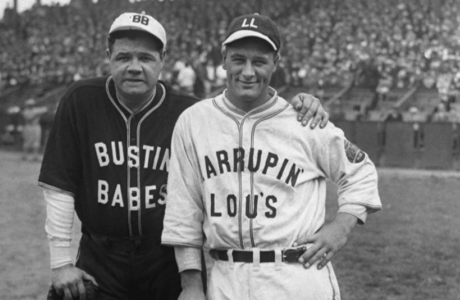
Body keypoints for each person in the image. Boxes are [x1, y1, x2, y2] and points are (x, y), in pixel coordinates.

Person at [39, 12, 329, 300]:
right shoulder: (82, 99)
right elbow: (60, 186)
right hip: (101, 256)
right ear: (108, 55)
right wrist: (61, 262)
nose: (134, 67)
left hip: (165, 260)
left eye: (146, 58)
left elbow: (246, 127)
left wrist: (300, 106)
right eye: (124, 57)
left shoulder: (189, 113)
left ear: (163, 59)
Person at [161, 13, 382, 300]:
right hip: (225, 277)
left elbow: (361, 171)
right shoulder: (193, 122)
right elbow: (183, 209)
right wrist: (191, 285)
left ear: (276, 63)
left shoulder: (304, 121)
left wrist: (341, 227)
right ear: (224, 59)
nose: (248, 72)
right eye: (239, 59)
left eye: (260, 61)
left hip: (295, 273)